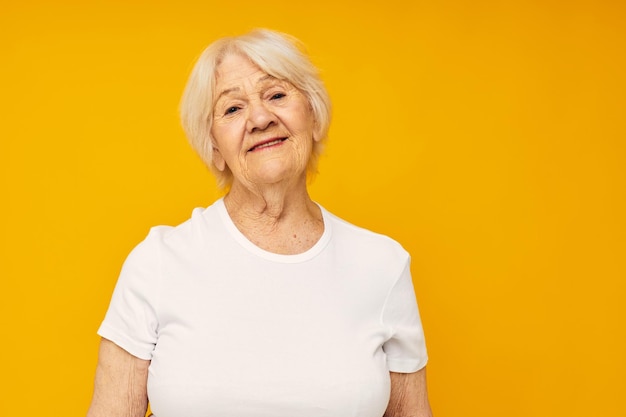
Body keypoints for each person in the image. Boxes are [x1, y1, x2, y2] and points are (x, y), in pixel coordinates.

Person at [86, 28, 433, 417]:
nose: (260, 118)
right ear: (214, 147)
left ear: (314, 118)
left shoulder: (382, 265)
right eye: (232, 109)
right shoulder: (158, 262)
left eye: (277, 95)